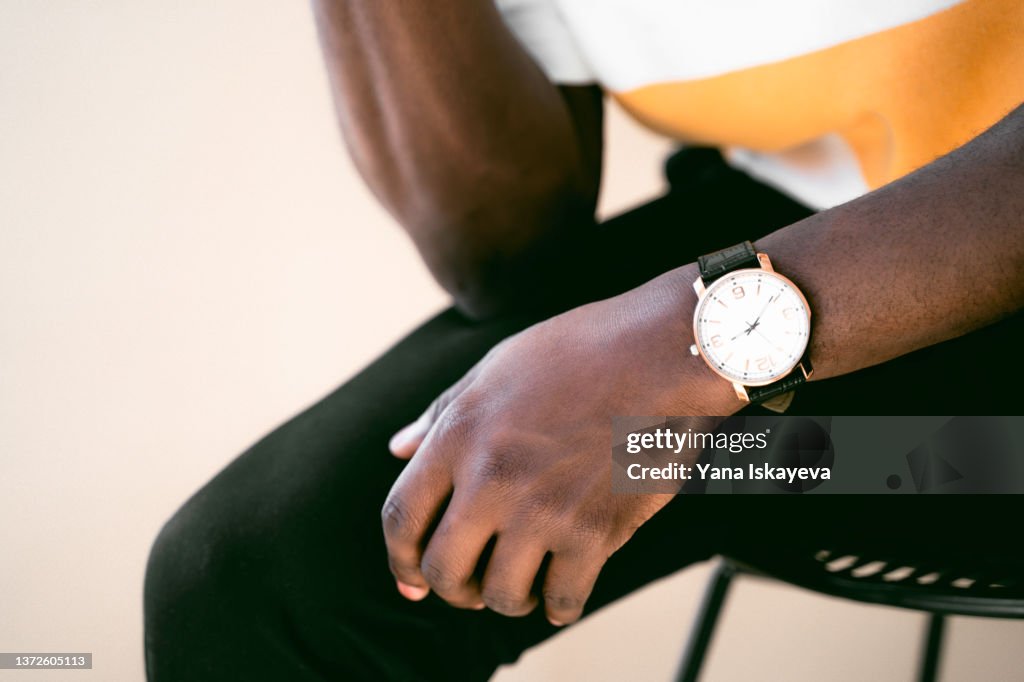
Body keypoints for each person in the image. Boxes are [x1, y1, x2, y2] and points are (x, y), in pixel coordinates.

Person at [144, 1, 1024, 679]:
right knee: (263, 591)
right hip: (824, 258)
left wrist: (679, 345)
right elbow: (509, 251)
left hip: (984, 444)